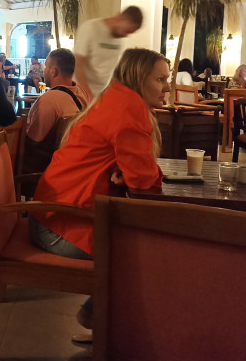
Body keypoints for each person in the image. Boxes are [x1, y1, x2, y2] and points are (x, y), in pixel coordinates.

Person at [30, 48, 168, 339]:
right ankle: (113, 330)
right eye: (160, 79)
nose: (168, 87)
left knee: (141, 245)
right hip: (60, 225)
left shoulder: (115, 97)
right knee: (146, 252)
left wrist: (125, 172)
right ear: (139, 78)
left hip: (51, 215)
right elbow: (143, 181)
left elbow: (135, 171)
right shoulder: (130, 108)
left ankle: (102, 321)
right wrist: (133, 174)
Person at [73, 6, 143, 101]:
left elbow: (112, 70)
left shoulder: (119, 39)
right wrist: (87, 94)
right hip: (82, 95)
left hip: (102, 96)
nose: (126, 35)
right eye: (127, 31)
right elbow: (78, 64)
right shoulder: (90, 28)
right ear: (121, 17)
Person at [26, 49, 89, 144]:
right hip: (74, 149)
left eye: (46, 66)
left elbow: (33, 140)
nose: (44, 71)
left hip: (50, 153)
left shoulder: (49, 100)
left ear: (53, 72)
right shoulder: (82, 93)